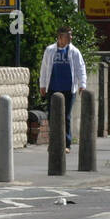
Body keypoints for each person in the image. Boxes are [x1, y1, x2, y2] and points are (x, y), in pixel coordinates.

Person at [38, 25, 87, 153]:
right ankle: (54, 142)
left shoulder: (74, 51)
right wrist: (42, 85)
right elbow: (44, 68)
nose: (71, 37)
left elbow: (80, 69)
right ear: (60, 37)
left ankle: (67, 144)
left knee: (66, 116)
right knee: (52, 117)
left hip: (68, 89)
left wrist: (82, 84)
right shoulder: (50, 50)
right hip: (53, 88)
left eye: (71, 34)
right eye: (68, 35)